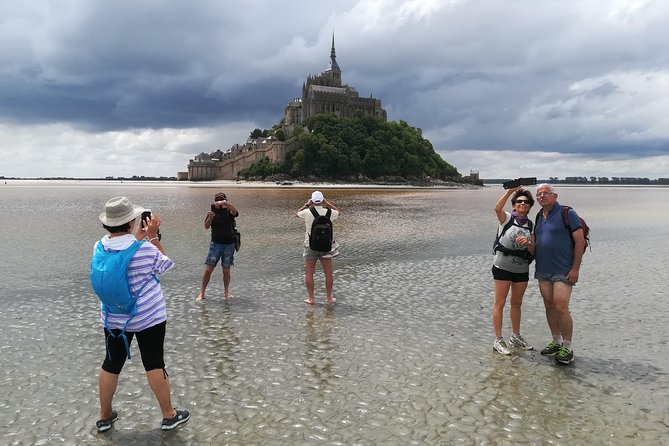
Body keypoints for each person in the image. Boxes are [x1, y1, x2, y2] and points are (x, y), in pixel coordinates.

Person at [92, 196, 189, 432]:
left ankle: (105, 417)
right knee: (154, 363)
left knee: (111, 364)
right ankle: (169, 415)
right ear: (132, 222)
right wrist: (153, 236)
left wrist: (141, 239)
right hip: (148, 318)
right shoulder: (145, 248)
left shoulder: (99, 246)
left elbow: (124, 253)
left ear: (107, 223)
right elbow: (166, 265)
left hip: (114, 317)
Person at [533, 184, 585, 365]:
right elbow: (537, 243)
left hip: (563, 270)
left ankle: (568, 347)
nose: (541, 196)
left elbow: (580, 242)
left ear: (555, 195)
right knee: (549, 305)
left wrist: (575, 269)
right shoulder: (539, 216)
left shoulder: (567, 213)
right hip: (543, 269)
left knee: (561, 306)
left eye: (545, 193)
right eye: (538, 194)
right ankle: (556, 341)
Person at [491, 187, 535, 355]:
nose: (523, 204)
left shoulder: (530, 225)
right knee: (499, 303)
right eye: (519, 202)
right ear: (514, 205)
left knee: (516, 303)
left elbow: (533, 252)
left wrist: (529, 244)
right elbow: (497, 208)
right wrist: (510, 191)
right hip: (502, 266)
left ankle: (515, 337)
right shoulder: (507, 218)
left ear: (530, 206)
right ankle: (498, 340)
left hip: (521, 269)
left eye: (526, 202)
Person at [296, 191, 340, 305]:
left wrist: (307, 204)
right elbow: (338, 212)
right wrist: (328, 204)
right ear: (322, 200)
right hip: (326, 246)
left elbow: (297, 214)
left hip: (310, 245)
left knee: (309, 273)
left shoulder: (306, 212)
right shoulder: (330, 212)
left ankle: (311, 299)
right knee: (328, 273)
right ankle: (329, 298)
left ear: (312, 200)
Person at [197, 192, 239, 301]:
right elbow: (206, 226)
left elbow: (235, 211)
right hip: (215, 244)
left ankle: (226, 291)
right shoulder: (212, 211)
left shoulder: (229, 211)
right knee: (208, 269)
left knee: (226, 270)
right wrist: (211, 217)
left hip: (229, 244)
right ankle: (202, 293)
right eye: (217, 200)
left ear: (225, 200)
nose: (218, 202)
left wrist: (226, 204)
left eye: (221, 199)